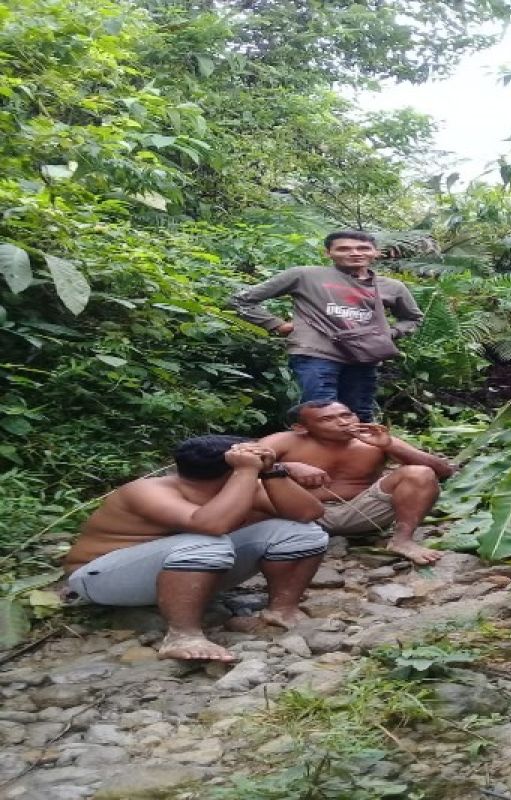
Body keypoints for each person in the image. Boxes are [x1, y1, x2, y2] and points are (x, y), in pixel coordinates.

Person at [64, 436, 329, 663]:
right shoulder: (146, 490)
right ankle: (183, 635)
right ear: (233, 469)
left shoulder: (246, 485)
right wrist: (246, 472)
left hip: (181, 566)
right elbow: (211, 525)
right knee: (208, 541)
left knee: (301, 532)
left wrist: (273, 473)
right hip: (101, 580)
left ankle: (282, 609)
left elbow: (309, 513)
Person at [230, 230, 424, 423]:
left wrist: (390, 333)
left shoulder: (392, 287)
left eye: (363, 248)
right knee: (321, 412)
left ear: (375, 253)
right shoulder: (305, 275)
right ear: (328, 253)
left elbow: (413, 318)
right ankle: (307, 453)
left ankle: (359, 453)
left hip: (364, 356)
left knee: (360, 415)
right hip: (315, 352)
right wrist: (276, 325)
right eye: (344, 249)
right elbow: (240, 300)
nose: (355, 253)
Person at [258, 400, 455, 565]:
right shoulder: (283, 441)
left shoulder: (373, 439)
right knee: (253, 485)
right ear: (301, 428)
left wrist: (391, 446)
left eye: (347, 415)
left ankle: (402, 540)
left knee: (420, 473)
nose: (343, 422)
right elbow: (235, 461)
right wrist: (287, 467)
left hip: (363, 512)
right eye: (328, 419)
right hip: (298, 514)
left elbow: (443, 472)